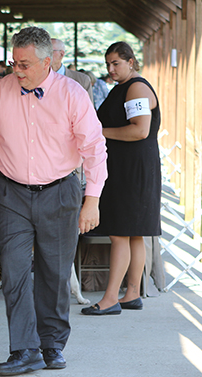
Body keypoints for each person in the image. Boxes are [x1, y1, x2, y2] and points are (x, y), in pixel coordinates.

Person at [0, 26, 107, 376]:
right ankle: (24, 349)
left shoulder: (72, 94)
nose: (17, 70)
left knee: (54, 273)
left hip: (60, 192)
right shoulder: (0, 90)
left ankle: (51, 344)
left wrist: (93, 200)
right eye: (14, 63)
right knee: (13, 270)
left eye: (24, 64)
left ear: (47, 62)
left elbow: (93, 148)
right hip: (11, 193)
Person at [81, 41, 161, 316]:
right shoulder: (123, 87)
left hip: (131, 170)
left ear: (131, 62)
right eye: (108, 64)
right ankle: (133, 294)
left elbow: (140, 130)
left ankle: (110, 298)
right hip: (131, 167)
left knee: (119, 234)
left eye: (116, 63)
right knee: (134, 233)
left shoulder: (137, 88)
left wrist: (99, 132)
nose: (111, 69)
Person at [50, 39, 93, 103]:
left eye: (50, 51)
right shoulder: (37, 79)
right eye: (42, 51)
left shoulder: (82, 80)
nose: (45, 55)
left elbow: (89, 108)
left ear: (61, 54)